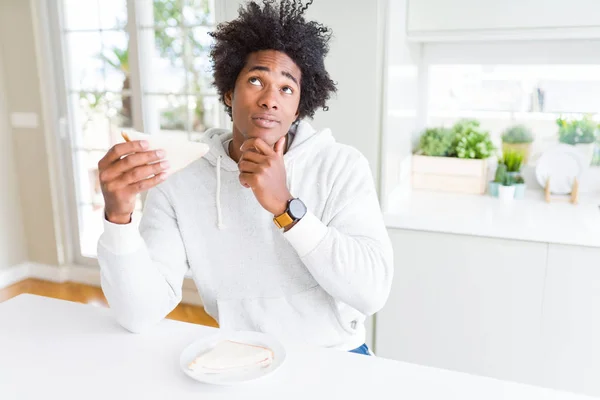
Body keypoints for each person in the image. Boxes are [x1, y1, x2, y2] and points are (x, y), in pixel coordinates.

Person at [97, 0, 393, 356]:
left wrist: (286, 207)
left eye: (286, 88)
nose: (270, 99)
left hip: (336, 356)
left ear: (299, 107)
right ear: (228, 92)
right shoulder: (182, 179)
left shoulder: (341, 165)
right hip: (239, 357)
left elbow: (373, 292)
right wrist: (118, 217)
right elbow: (138, 315)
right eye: (256, 80)